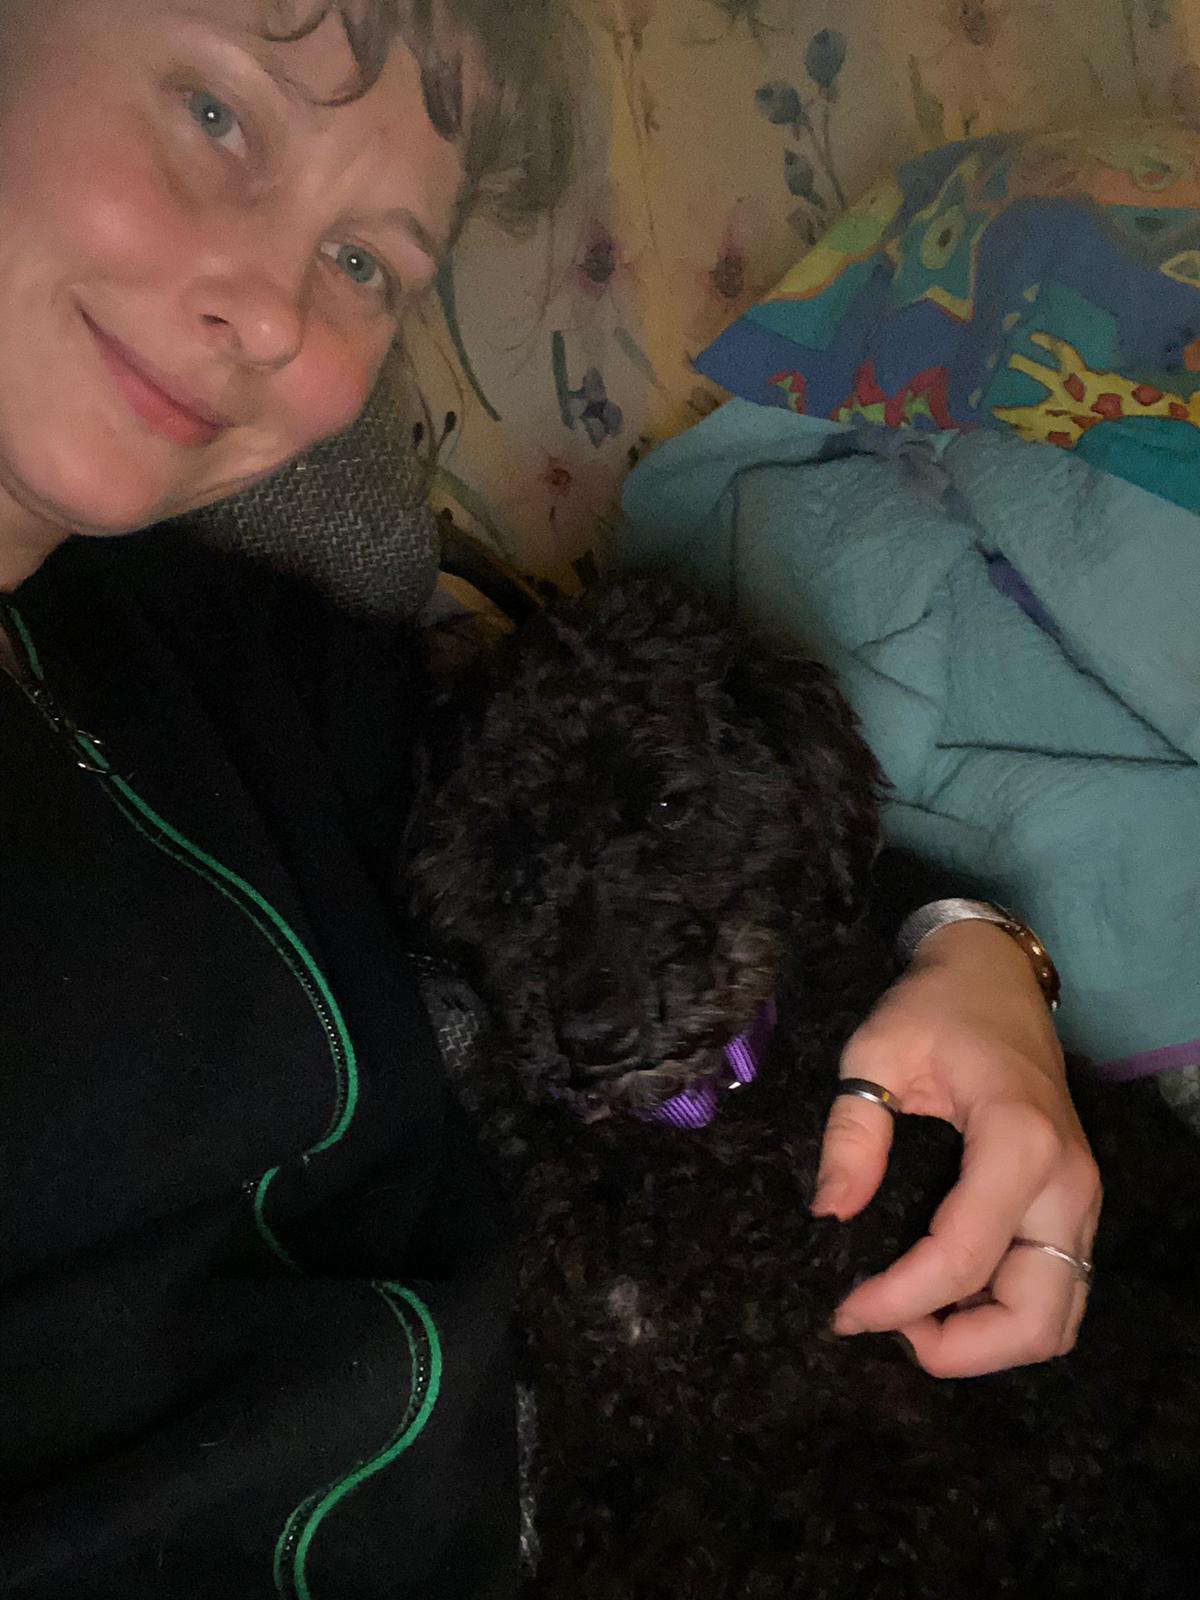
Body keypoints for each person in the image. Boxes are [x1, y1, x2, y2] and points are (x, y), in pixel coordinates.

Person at [0, 2, 1100, 1594]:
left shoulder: (257, 650)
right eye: (216, 114)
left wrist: (973, 947)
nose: (272, 311)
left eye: (368, 261)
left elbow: (649, 793)